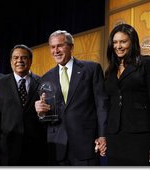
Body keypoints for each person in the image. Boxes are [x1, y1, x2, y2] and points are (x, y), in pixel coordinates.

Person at [35, 30, 108, 166]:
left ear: (71, 47)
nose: (56, 50)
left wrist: (102, 135)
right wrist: (41, 113)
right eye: (52, 47)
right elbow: (47, 116)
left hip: (86, 143)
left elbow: (101, 105)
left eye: (60, 46)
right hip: (58, 146)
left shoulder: (91, 69)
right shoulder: (46, 78)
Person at [104, 23, 150, 166]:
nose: (118, 46)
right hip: (114, 138)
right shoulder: (109, 71)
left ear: (133, 42)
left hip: (140, 137)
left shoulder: (147, 63)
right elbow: (107, 104)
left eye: (123, 41)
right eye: (115, 42)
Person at [0, 44, 47, 166]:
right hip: (6, 150)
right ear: (11, 61)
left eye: (24, 57)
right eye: (16, 58)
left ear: (30, 60)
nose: (19, 61)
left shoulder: (42, 82)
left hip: (36, 149)